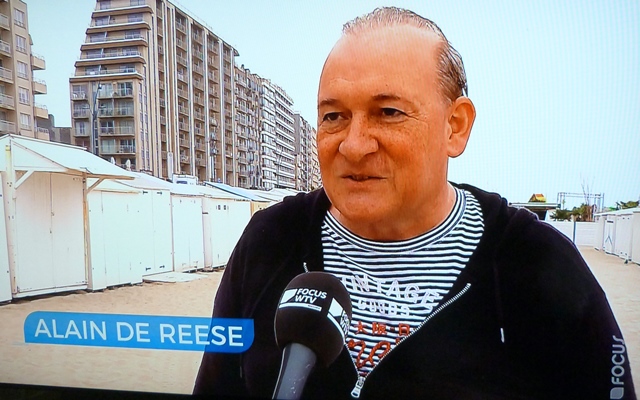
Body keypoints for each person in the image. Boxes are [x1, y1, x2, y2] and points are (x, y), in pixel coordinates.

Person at [194, 7, 636, 399]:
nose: (353, 145)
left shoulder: (538, 263)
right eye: (334, 116)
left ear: (455, 126)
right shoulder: (270, 241)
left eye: (388, 112)